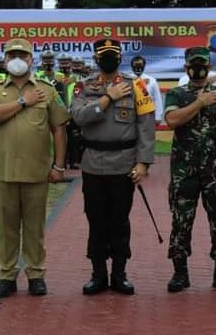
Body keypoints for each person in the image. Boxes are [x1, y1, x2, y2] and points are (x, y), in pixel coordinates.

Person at [0, 38, 69, 298]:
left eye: (23, 55)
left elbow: (59, 128)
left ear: (32, 59)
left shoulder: (47, 89)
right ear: (5, 60)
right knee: (7, 229)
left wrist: (59, 166)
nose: (17, 59)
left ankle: (35, 274)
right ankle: (7, 275)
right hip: (3, 171)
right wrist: (23, 101)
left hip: (36, 171)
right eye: (12, 55)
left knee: (34, 228)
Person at [70, 39, 156, 295]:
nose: (108, 59)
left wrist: (143, 163)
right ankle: (98, 274)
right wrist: (108, 98)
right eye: (103, 55)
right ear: (96, 59)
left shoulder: (136, 85)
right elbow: (79, 117)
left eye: (113, 55)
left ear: (120, 58)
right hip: (93, 164)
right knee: (96, 221)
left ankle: (119, 274)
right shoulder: (83, 87)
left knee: (120, 221)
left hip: (124, 165)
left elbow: (146, 125)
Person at [164, 46, 216, 293]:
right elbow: (172, 120)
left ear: (209, 68)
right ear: (186, 68)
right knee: (181, 221)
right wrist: (200, 101)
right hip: (184, 171)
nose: (198, 70)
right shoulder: (176, 94)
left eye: (203, 66)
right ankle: (180, 273)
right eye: (194, 65)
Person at [130, 55, 164, 125]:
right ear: (131, 66)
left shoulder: (152, 81)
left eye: (140, 65)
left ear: (144, 66)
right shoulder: (127, 80)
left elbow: (157, 99)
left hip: (147, 115)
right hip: (131, 115)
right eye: (135, 65)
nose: (138, 67)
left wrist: (158, 116)